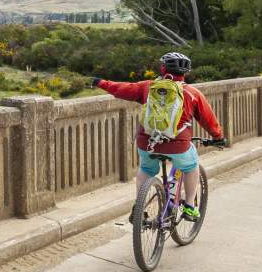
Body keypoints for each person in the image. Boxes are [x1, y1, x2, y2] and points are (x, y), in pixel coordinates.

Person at [91, 52, 226, 221]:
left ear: (163, 68)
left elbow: (120, 89)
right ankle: (190, 206)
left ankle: (139, 208)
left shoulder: (148, 87)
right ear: (185, 72)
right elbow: (209, 120)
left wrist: (100, 82)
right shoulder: (192, 93)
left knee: (146, 169)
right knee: (191, 166)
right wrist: (218, 136)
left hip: (147, 142)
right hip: (178, 145)